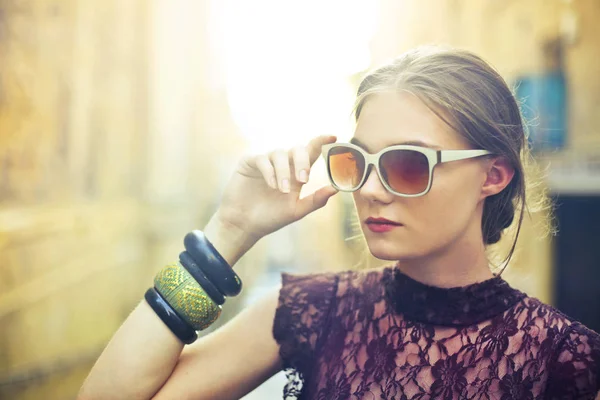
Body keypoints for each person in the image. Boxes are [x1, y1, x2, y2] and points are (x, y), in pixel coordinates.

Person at [78, 46, 600, 400]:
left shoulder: (565, 360)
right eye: (357, 161)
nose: (370, 189)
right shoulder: (313, 311)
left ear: (494, 175)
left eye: (407, 163)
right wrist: (229, 231)